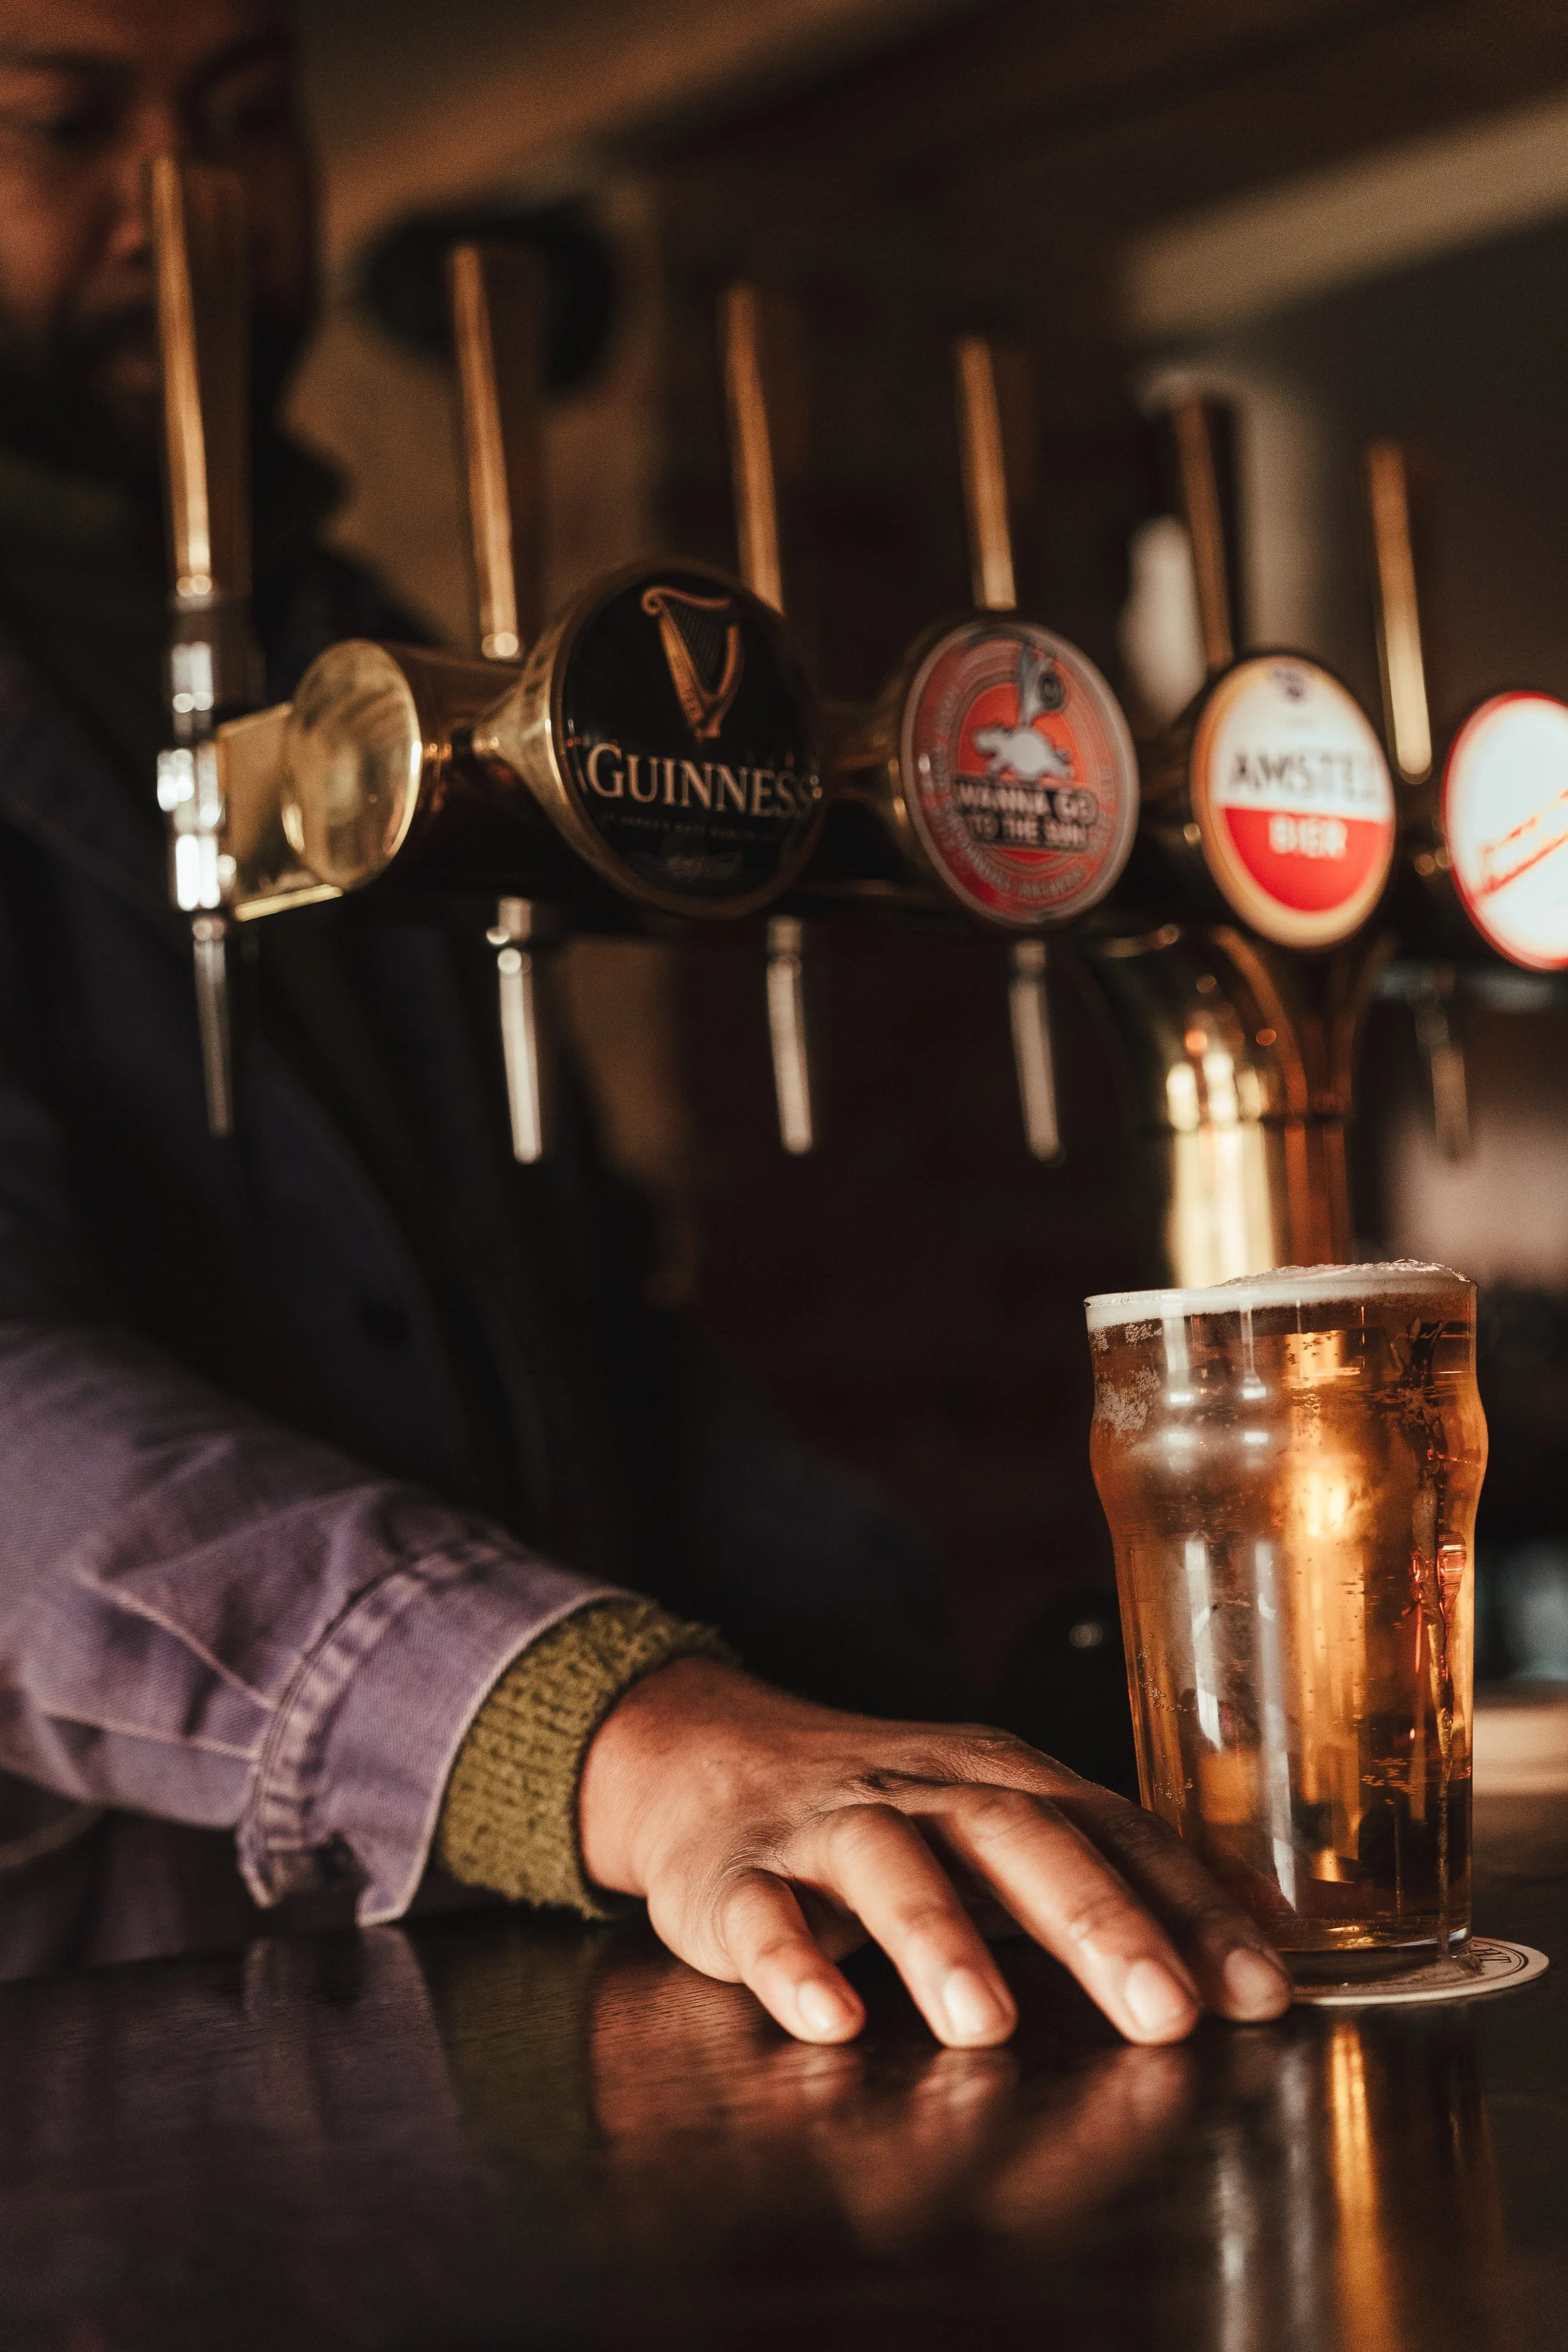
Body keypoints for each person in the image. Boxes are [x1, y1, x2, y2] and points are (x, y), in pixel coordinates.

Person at [0, 0, 1292, 2046]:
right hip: (100, 2045)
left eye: (247, 115)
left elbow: (582, 1319)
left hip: (476, 2034)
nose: (192, 209)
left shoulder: (349, 673)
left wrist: (930, 1700)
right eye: (60, 124)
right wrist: (602, 1727)